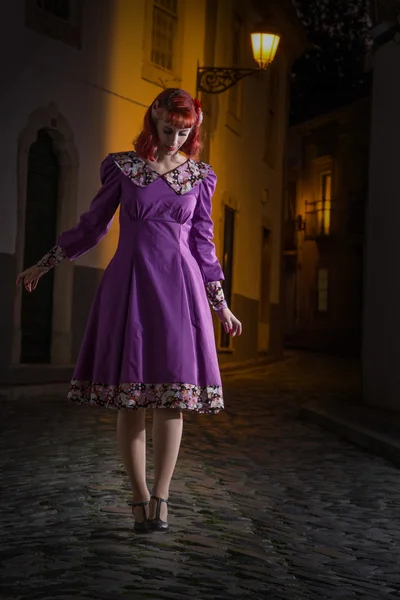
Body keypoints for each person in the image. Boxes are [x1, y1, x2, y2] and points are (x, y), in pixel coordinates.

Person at [16, 88, 242, 533]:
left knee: (172, 399)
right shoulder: (123, 167)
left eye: (184, 132)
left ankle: (163, 497)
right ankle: (139, 497)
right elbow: (93, 226)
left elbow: (203, 244)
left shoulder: (200, 176)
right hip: (132, 284)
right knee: (133, 398)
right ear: (152, 122)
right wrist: (45, 263)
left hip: (180, 289)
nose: (175, 139)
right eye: (168, 130)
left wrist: (222, 306)